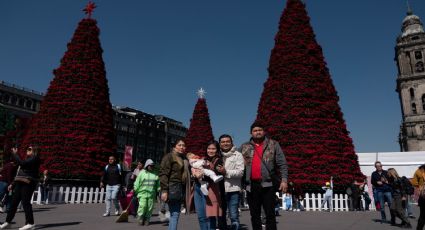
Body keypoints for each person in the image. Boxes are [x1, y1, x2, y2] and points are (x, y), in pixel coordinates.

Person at [240, 121, 288, 230]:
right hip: (251, 185)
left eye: (260, 130)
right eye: (255, 131)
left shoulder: (273, 144)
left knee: (270, 214)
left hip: (268, 185)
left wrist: (284, 180)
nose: (258, 132)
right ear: (251, 133)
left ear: (264, 131)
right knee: (255, 215)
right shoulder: (244, 146)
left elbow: (282, 163)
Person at [0, 146, 41, 230]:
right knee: (13, 203)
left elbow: (22, 163)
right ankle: (8, 222)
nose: (27, 150)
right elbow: (19, 173)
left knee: (25, 202)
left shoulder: (35, 158)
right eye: (27, 149)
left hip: (28, 183)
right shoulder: (27, 159)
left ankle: (30, 223)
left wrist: (15, 154)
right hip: (20, 182)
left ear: (34, 151)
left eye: (29, 149)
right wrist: (13, 183)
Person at [159, 138, 191, 230]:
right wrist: (164, 190)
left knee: (174, 214)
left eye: (184, 145)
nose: (182, 147)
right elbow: (163, 174)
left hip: (180, 188)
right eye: (179, 145)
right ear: (175, 146)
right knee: (175, 214)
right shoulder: (169, 157)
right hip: (171, 187)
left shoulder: (184, 158)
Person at [192, 140, 224, 230]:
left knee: (210, 216)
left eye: (213, 148)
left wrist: (201, 175)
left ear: (217, 150)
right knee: (201, 216)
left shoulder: (218, 160)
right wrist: (195, 174)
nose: (210, 150)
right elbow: (193, 169)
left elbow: (217, 173)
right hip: (198, 188)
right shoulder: (202, 159)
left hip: (211, 189)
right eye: (209, 148)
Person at [218, 134, 244, 230]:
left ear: (231, 143)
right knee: (220, 215)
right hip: (219, 189)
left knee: (233, 215)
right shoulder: (217, 155)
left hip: (233, 189)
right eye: (223, 142)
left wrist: (226, 172)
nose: (225, 143)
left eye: (227, 141)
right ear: (220, 144)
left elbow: (240, 172)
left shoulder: (238, 155)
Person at [133, 159, 160, 226]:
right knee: (142, 206)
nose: (151, 167)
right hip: (142, 193)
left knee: (149, 207)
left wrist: (158, 189)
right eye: (150, 166)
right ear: (147, 166)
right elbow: (137, 182)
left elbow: (158, 184)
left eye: (152, 166)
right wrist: (135, 189)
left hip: (151, 194)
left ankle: (147, 219)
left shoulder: (155, 174)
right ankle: (140, 218)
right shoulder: (142, 173)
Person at [411, 164, 425, 229]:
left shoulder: (419, 170)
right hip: (423, 195)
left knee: (422, 215)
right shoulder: (419, 171)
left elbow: (414, 183)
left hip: (423, 195)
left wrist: (419, 188)